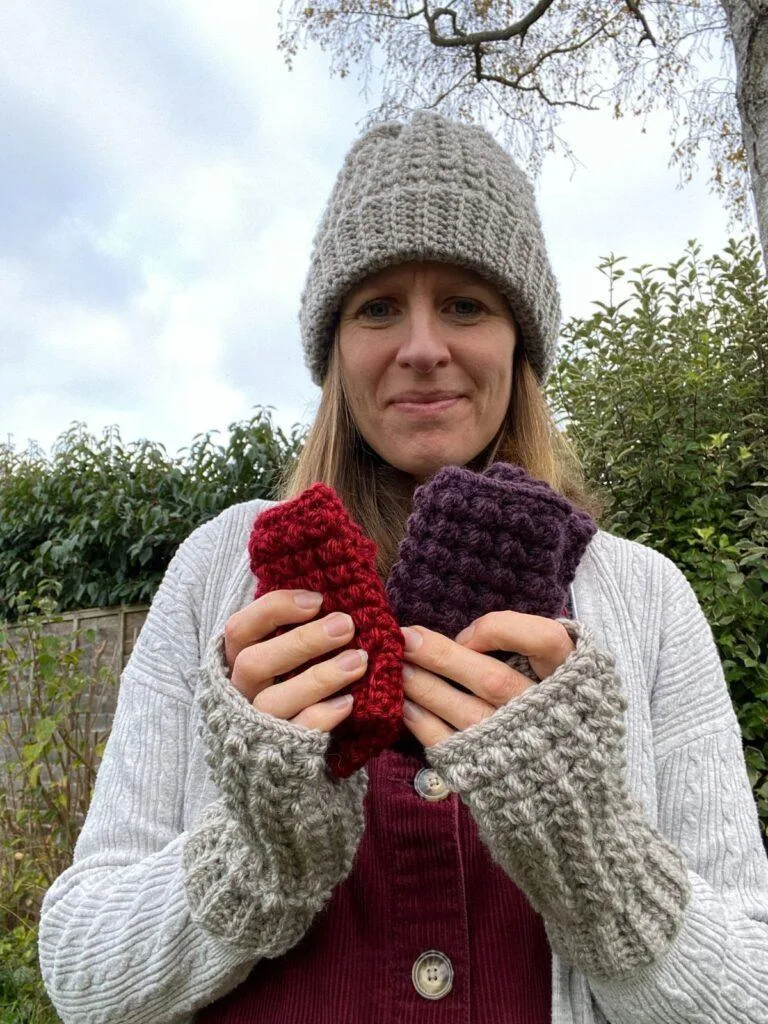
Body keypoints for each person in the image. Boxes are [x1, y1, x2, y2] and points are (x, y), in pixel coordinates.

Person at [38, 112, 768, 1024]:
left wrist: (597, 862)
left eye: (466, 302)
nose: (422, 346)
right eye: (378, 305)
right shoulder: (220, 572)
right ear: (334, 348)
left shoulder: (646, 599)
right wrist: (255, 856)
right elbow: (80, 974)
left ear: (520, 342)